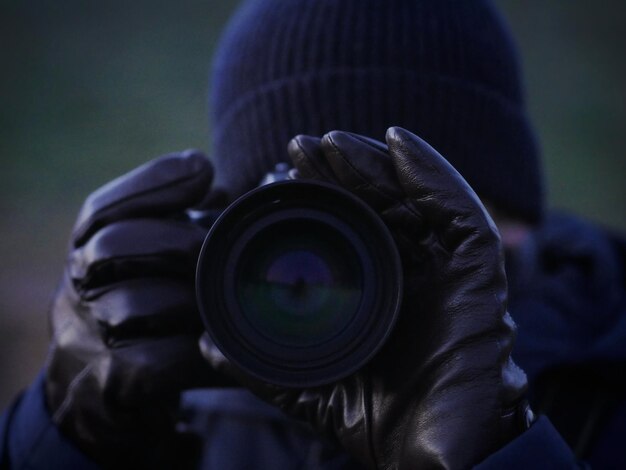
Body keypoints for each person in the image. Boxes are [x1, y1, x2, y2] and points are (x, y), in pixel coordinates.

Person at [1, 0, 624, 468]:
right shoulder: (184, 394)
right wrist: (65, 432)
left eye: (406, 229)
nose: (340, 281)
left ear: (507, 225)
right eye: (303, 223)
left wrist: (497, 450)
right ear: (234, 229)